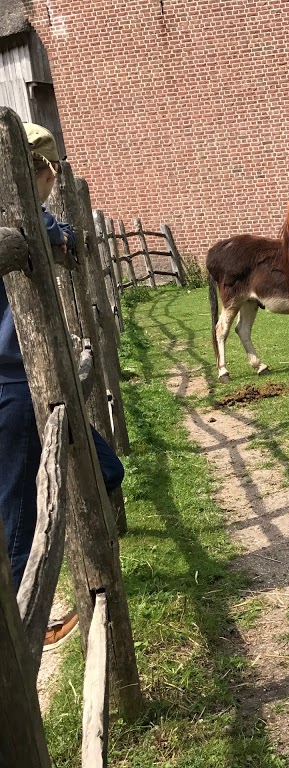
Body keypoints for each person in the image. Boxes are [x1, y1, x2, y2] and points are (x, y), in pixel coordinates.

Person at [1, 123, 124, 648]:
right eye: (47, 171)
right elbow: (53, 231)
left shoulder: (26, 217)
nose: (52, 182)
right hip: (12, 383)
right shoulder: (15, 219)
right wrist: (56, 234)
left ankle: (86, 570)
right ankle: (23, 627)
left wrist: (57, 232)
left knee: (105, 469)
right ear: (40, 171)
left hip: (34, 375)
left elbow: (56, 231)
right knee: (18, 514)